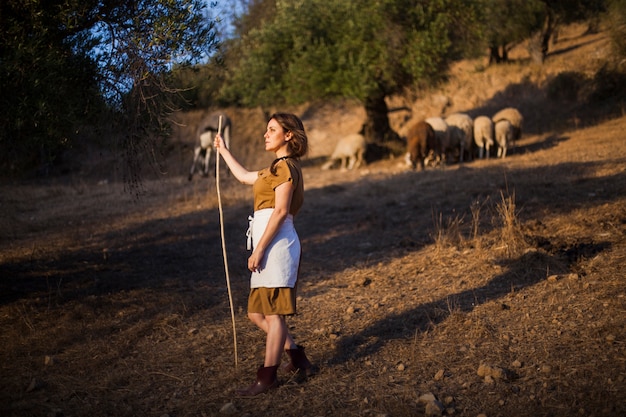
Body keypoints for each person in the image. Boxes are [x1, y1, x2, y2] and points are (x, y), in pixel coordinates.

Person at [213, 113, 313, 396]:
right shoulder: (275, 168)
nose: (265, 134)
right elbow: (245, 177)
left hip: (277, 246)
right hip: (269, 245)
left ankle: (267, 377)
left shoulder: (286, 168)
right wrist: (223, 150)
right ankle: (296, 357)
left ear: (289, 135)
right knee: (257, 313)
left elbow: (281, 211)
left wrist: (259, 249)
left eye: (272, 130)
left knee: (273, 315)